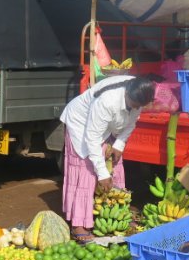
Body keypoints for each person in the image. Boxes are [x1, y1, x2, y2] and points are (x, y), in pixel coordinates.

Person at [59, 75, 157, 242]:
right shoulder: (108, 101)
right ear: (127, 93)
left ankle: (117, 216)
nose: (136, 108)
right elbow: (92, 137)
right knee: (87, 171)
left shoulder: (141, 92)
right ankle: (78, 224)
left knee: (115, 167)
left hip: (106, 126)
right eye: (134, 105)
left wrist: (119, 144)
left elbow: (131, 122)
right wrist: (102, 173)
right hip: (81, 124)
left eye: (139, 106)